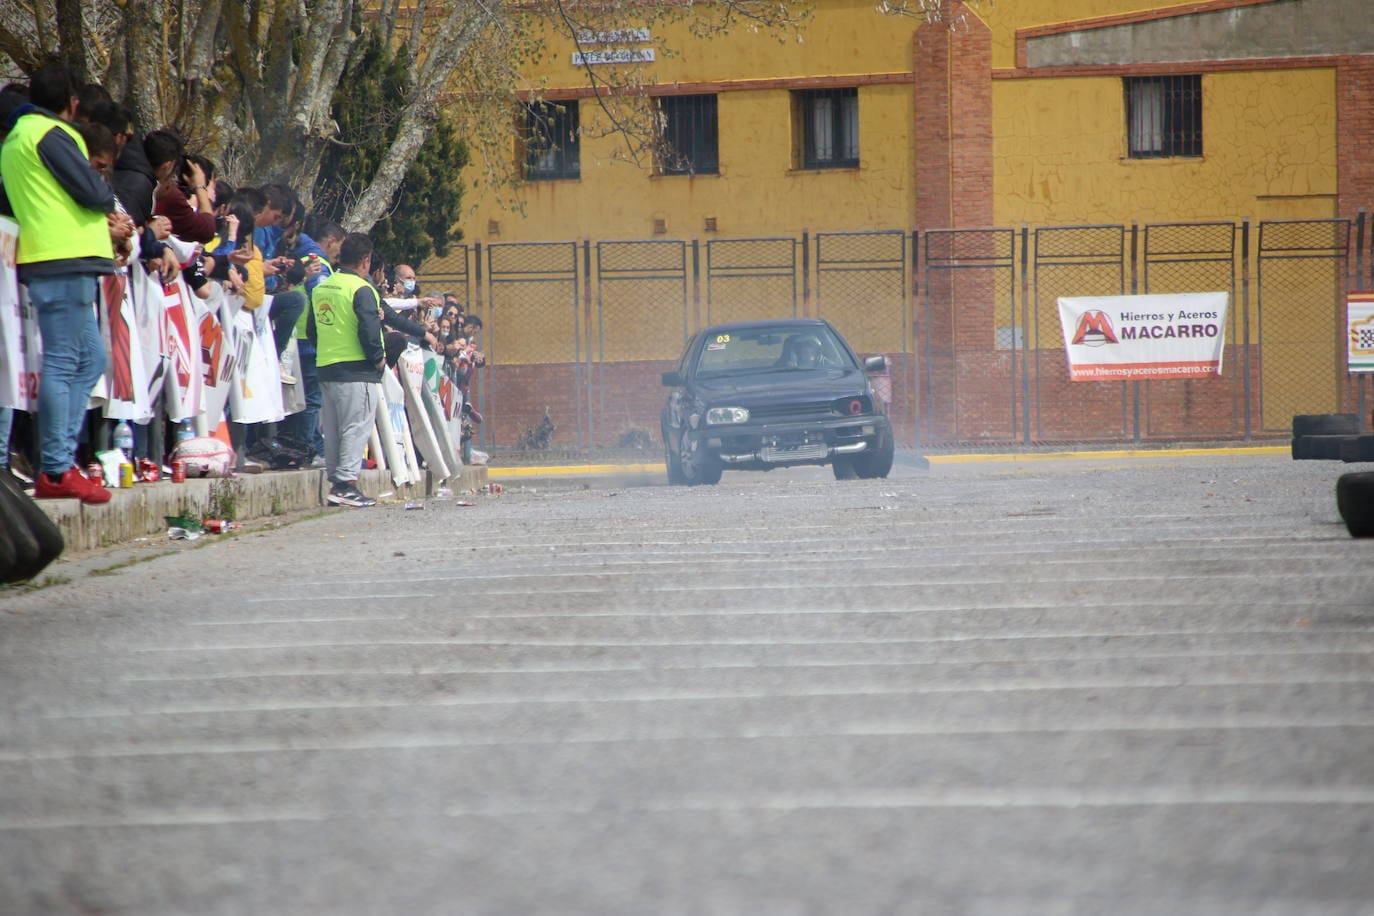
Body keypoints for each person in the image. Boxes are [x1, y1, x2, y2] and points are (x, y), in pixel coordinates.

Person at [0, 63, 118, 503]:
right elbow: (95, 192)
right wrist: (105, 196)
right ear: (71, 104)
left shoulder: (16, 138)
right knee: (66, 360)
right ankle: (54, 467)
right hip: (61, 257)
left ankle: (61, 459)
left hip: (56, 257)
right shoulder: (51, 134)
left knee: (91, 358)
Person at [306, 232, 385, 508]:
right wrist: (378, 359)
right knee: (356, 427)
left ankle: (336, 483)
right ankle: (346, 484)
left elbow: (312, 330)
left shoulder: (322, 287)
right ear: (366, 260)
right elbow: (369, 329)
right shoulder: (362, 289)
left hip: (327, 368)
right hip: (357, 371)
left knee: (334, 429)